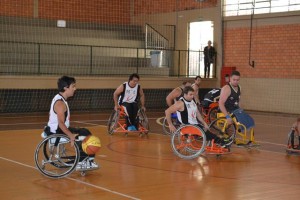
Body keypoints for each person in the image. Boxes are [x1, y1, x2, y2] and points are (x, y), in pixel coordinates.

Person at [44, 75, 98, 169]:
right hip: (57, 131)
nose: (75, 88)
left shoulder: (60, 98)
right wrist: (70, 136)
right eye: (73, 86)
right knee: (84, 134)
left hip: (57, 129)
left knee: (84, 131)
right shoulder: (60, 103)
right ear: (66, 88)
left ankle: (87, 160)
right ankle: (82, 161)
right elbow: (60, 123)